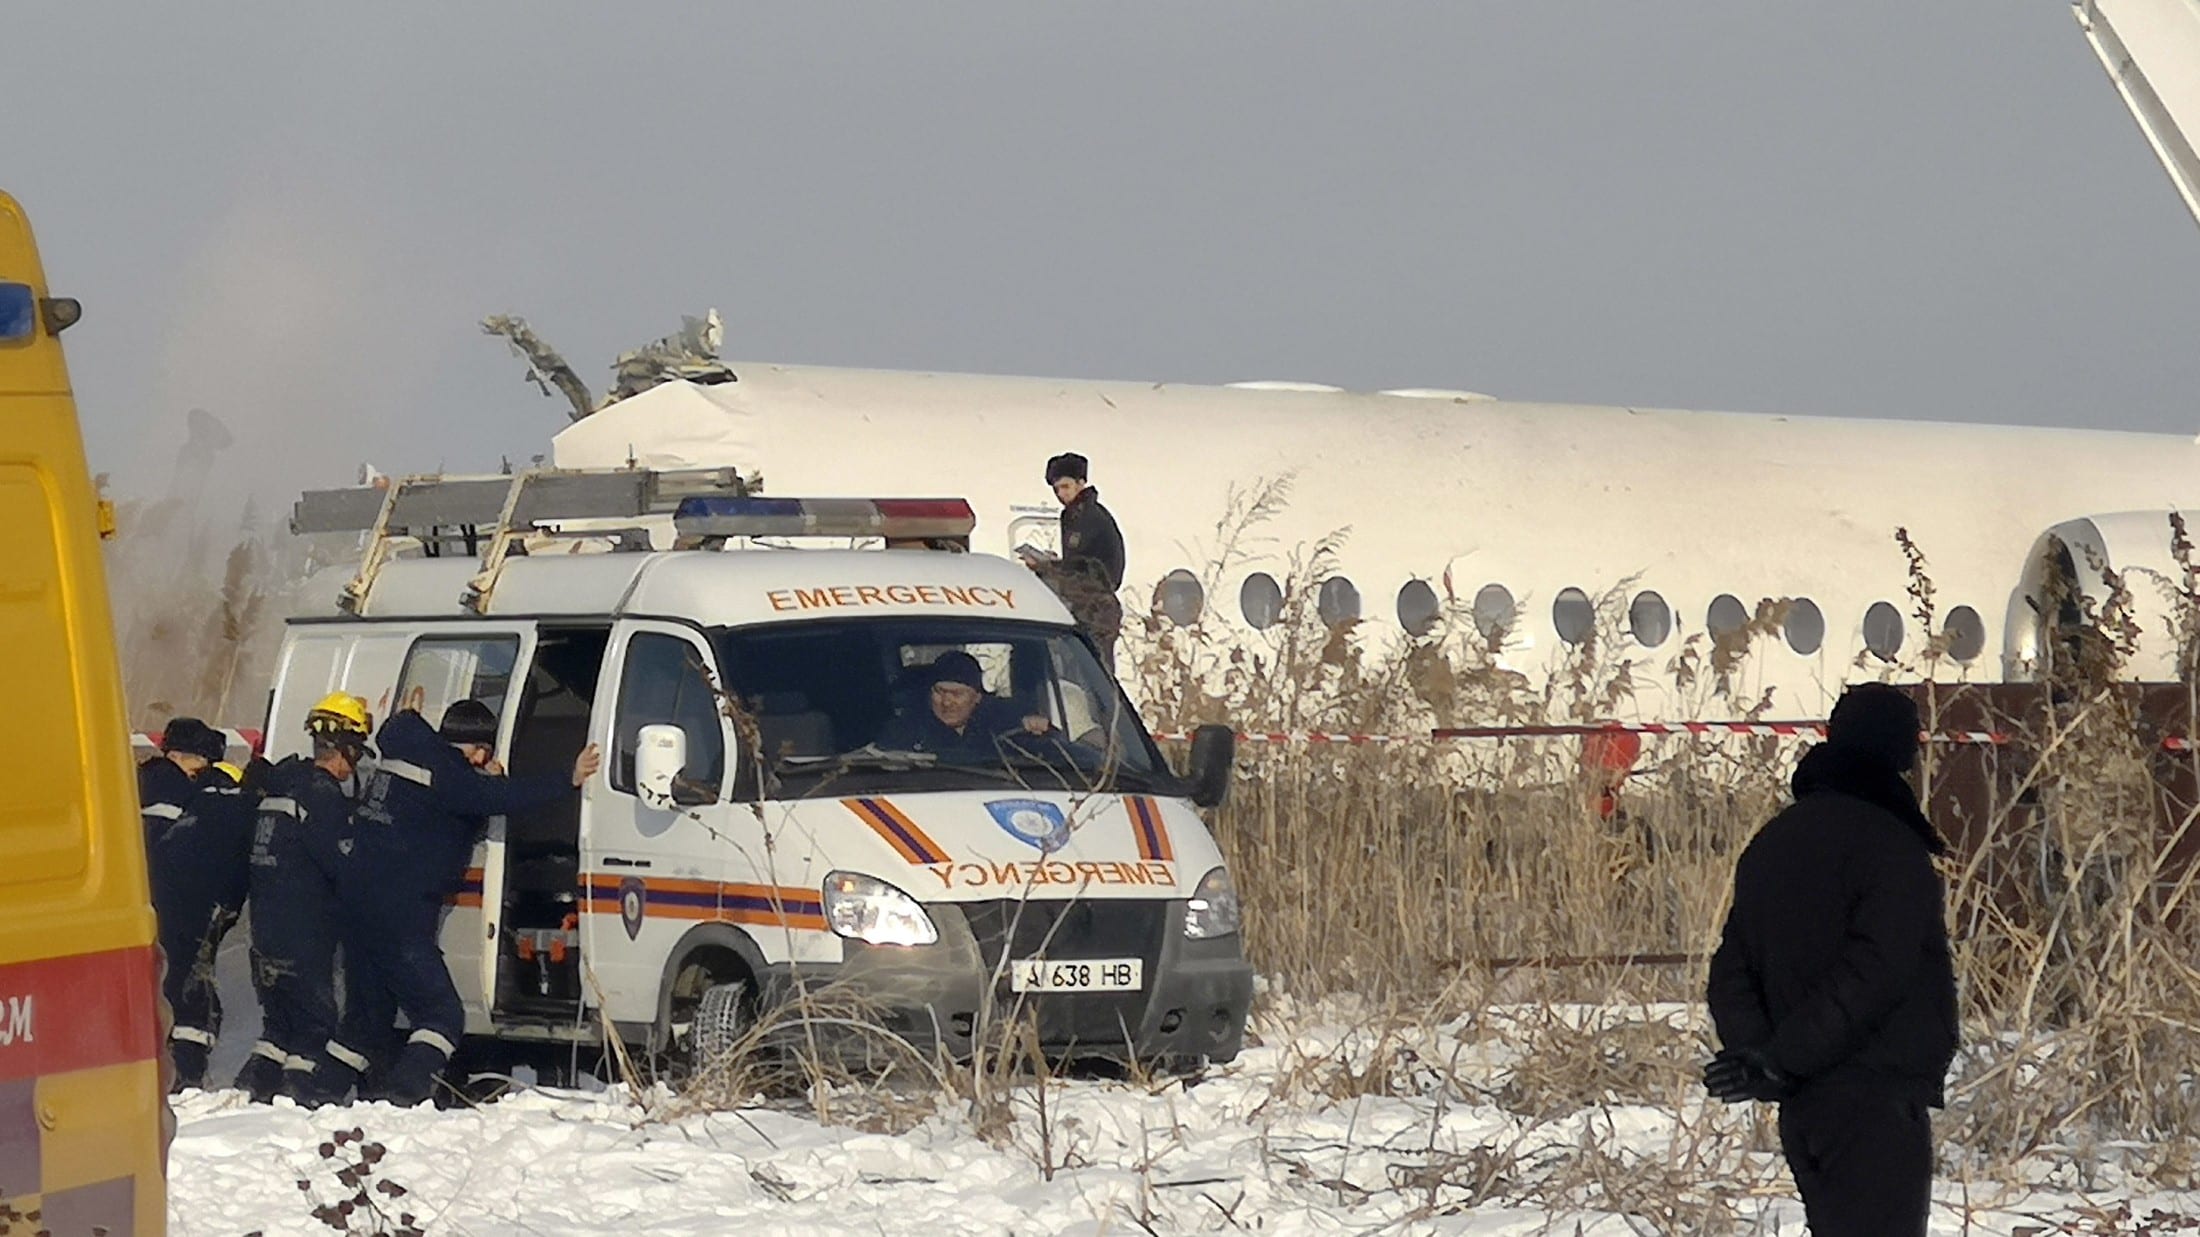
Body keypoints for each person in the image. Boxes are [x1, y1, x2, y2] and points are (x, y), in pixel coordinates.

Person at [1703, 683, 1958, 1237]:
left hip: (1804, 1111)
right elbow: (1877, 972)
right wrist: (1783, 1059)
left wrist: (1762, 1058)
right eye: (1911, 739)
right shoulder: (1891, 846)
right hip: (1874, 1101)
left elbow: (1730, 970)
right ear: (1894, 750)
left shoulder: (1772, 843)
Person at [326, 698, 598, 1107]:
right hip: (400, 912)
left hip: (355, 903)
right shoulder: (453, 778)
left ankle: (311, 1095)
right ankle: (404, 1098)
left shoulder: (404, 744)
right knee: (441, 1016)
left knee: (364, 1023)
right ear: (479, 749)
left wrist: (408, 716)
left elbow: (446, 813)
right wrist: (568, 778)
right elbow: (499, 797)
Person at [239, 693, 372, 1105]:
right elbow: (341, 859)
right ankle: (300, 1094)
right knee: (315, 1023)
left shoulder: (283, 786)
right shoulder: (323, 796)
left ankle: (254, 1084)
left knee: (279, 1022)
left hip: (265, 927)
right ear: (347, 749)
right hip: (305, 928)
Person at [150, 754, 263, 1090]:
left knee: (172, 981)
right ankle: (188, 1070)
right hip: (199, 911)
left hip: (164, 907)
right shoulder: (240, 810)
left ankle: (173, 1060)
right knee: (193, 988)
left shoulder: (191, 812)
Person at [1018, 452, 1126, 671]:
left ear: (1081, 483)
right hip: (1085, 605)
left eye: (1065, 487)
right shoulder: (1078, 515)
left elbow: (1087, 570)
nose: (1060, 494)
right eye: (1057, 489)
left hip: (1094, 608)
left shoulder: (1088, 518)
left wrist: (1047, 567)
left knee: (1092, 676)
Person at [875, 651, 1052, 761]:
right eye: (940, 691)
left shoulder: (1007, 720)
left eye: (957, 694)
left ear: (977, 697)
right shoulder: (904, 729)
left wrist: (1038, 727)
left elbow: (1050, 753)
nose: (947, 702)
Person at [140, 717, 224, 851]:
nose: (204, 767)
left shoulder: (144, 779)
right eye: (199, 759)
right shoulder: (171, 787)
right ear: (174, 756)